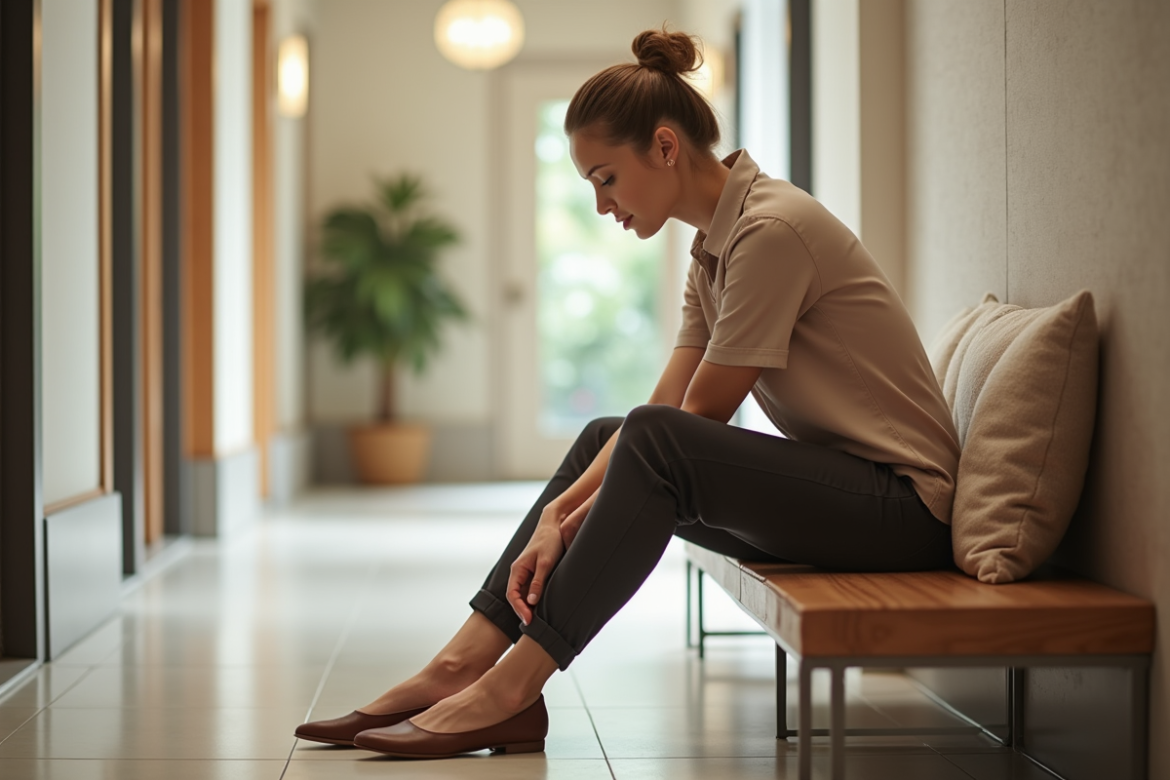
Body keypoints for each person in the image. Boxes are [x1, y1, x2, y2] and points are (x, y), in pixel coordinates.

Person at [294, 26, 960, 759]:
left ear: (666, 148)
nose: (602, 204)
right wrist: (559, 510)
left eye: (606, 177)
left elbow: (695, 417)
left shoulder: (771, 232)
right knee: (607, 435)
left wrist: (563, 513)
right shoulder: (715, 247)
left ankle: (509, 690)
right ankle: (459, 664)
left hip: (903, 510)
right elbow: (665, 403)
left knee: (647, 440)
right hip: (845, 500)